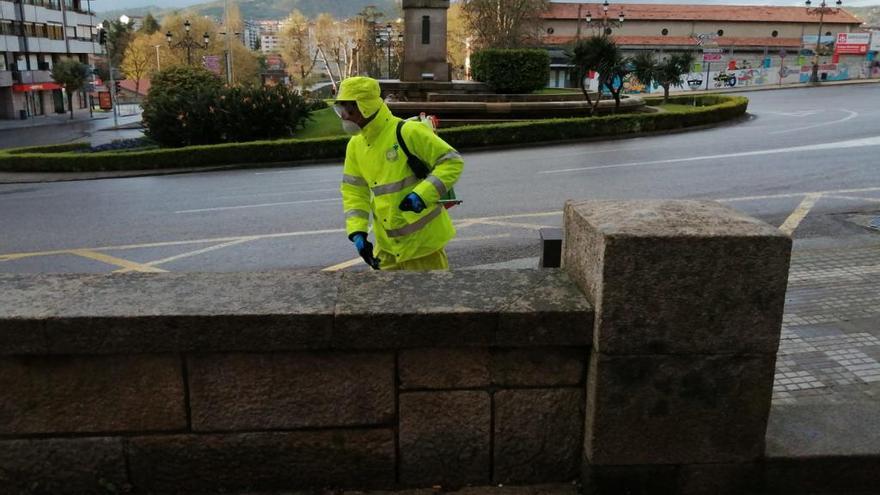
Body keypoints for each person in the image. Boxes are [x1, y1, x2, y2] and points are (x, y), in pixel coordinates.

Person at [336, 76, 463, 271]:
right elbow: (354, 191)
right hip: (387, 248)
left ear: (364, 107)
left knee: (432, 301)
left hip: (423, 247)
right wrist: (357, 231)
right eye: (339, 109)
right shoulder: (355, 145)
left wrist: (422, 195)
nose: (343, 116)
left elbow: (452, 161)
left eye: (346, 109)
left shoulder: (407, 132)